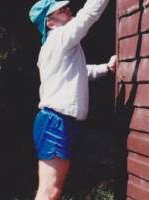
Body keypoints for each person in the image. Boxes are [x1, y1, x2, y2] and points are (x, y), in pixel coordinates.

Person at [29, 0, 115, 199]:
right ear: (50, 23)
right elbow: (89, 14)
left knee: (51, 190)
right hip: (55, 123)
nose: (68, 9)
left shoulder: (56, 45)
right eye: (61, 10)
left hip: (58, 123)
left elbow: (78, 71)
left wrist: (106, 68)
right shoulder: (60, 37)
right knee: (50, 191)